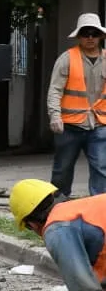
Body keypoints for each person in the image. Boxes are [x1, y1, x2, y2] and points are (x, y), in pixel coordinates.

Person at [46, 13, 106, 198]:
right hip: (69, 125)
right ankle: (59, 207)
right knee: (62, 170)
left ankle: (99, 211)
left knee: (101, 168)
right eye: (86, 33)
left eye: (94, 33)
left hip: (99, 124)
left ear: (101, 36)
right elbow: (55, 90)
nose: (90, 38)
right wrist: (55, 116)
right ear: (79, 36)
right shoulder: (67, 59)